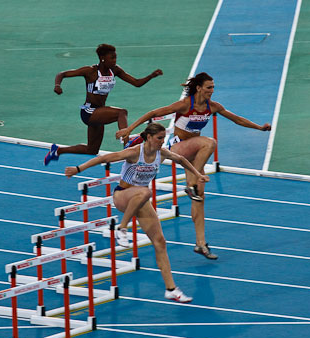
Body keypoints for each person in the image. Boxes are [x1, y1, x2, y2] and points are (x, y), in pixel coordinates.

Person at [115, 72, 271, 260]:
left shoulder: (212, 107)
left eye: (213, 88)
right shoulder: (184, 105)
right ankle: (190, 184)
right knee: (209, 142)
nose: (212, 91)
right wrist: (129, 129)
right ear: (198, 88)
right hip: (179, 147)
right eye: (208, 88)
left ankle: (200, 243)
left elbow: (236, 119)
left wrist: (259, 128)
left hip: (195, 154)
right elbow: (153, 113)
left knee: (199, 198)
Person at [65, 123, 208, 303]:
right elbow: (105, 158)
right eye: (159, 138)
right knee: (146, 192)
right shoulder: (135, 152)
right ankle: (122, 228)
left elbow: (181, 160)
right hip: (122, 195)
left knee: (160, 242)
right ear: (148, 137)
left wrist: (198, 175)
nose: (162, 142)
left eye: (164, 138)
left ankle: (171, 289)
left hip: (139, 200)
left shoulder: (161, 153)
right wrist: (78, 169)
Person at [44, 43, 163, 165]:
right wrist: (57, 85)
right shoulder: (90, 71)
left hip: (99, 113)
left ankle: (57, 151)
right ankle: (127, 144)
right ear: (102, 58)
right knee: (121, 112)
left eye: (115, 57)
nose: (115, 60)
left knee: (92, 150)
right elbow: (62, 74)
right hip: (88, 111)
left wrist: (152, 76)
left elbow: (136, 83)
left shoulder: (115, 70)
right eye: (112, 57)